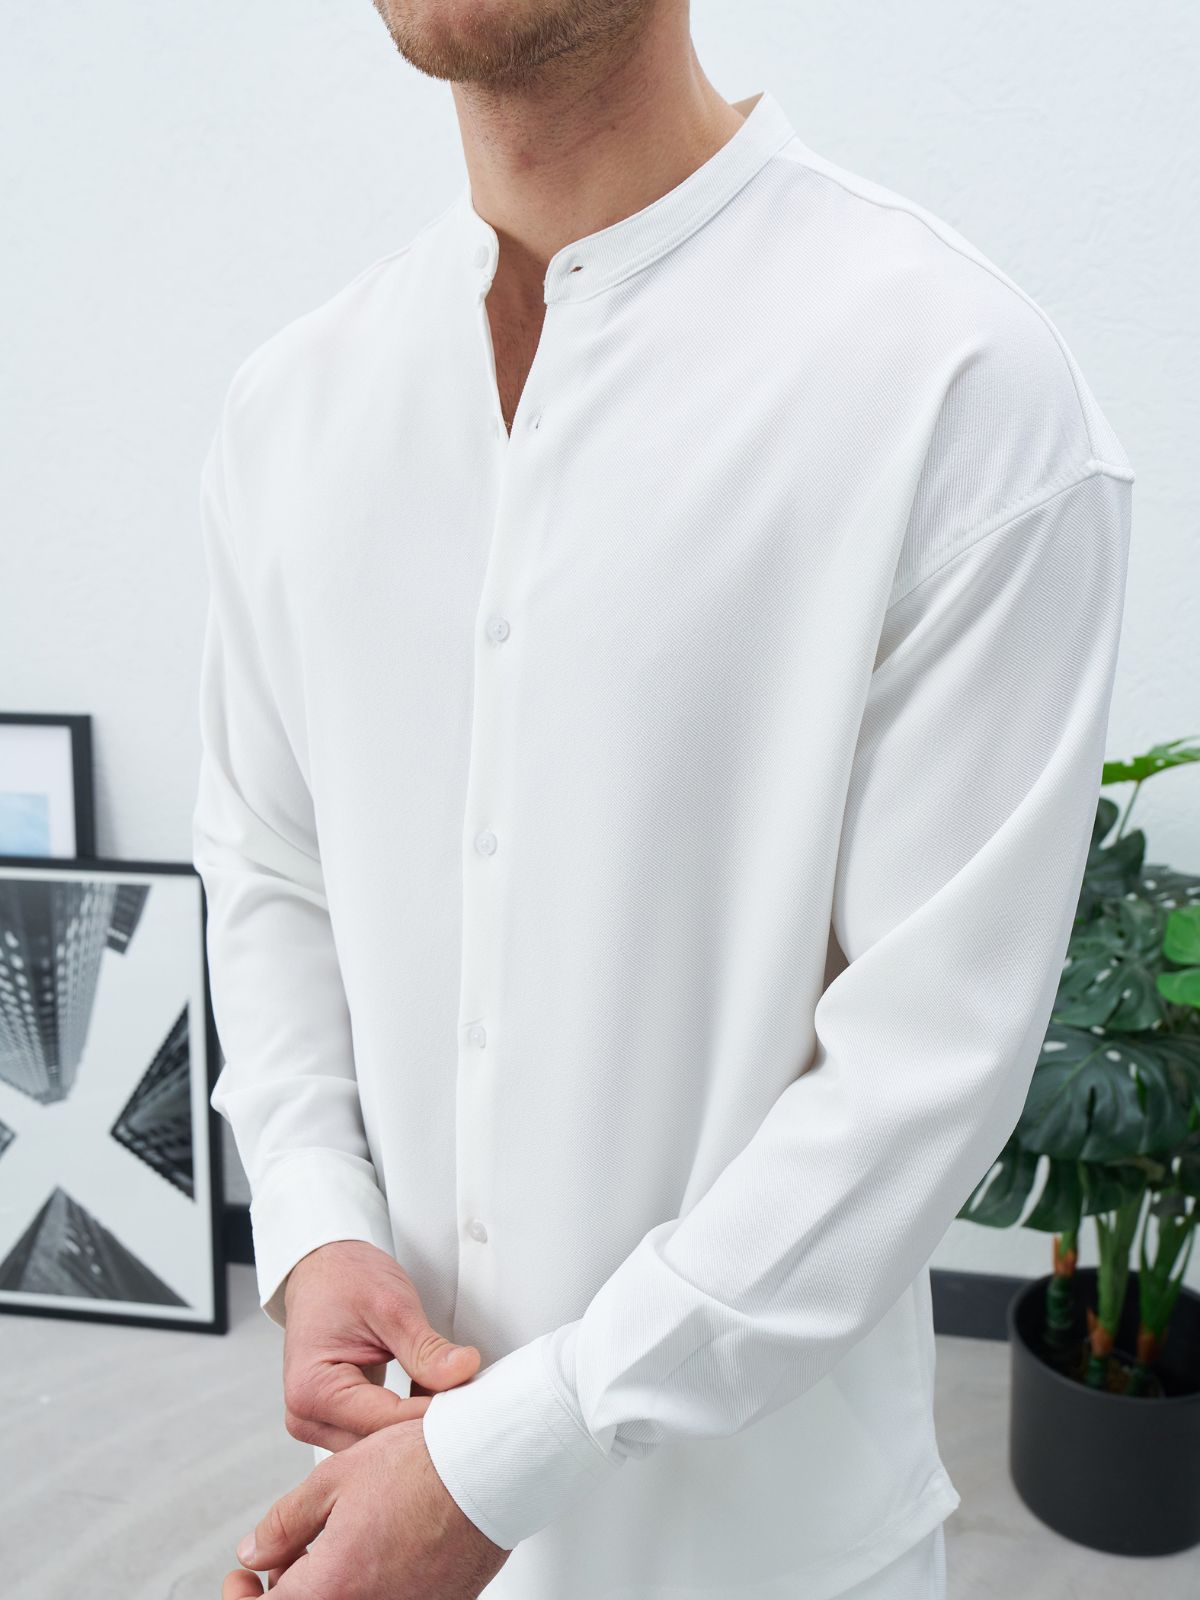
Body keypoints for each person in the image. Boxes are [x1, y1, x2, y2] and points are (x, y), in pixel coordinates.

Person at [191, 2, 1134, 1597]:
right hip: (389, 1507)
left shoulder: (956, 386)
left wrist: (512, 1452)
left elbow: (919, 1077)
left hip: (773, 1561)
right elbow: (273, 864)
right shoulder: (289, 410)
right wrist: (312, 1214)